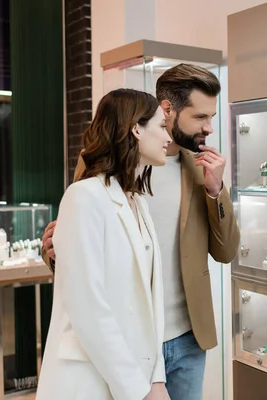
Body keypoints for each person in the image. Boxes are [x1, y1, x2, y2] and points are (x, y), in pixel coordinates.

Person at [41, 64, 240, 400]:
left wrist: (215, 190)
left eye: (212, 117)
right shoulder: (99, 179)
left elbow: (226, 251)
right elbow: (78, 261)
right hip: (123, 337)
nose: (209, 128)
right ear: (167, 110)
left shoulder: (201, 171)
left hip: (188, 337)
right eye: (200, 116)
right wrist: (54, 252)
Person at [36, 88, 171, 400]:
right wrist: (138, 390)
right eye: (161, 126)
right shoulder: (83, 197)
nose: (168, 137)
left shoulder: (138, 202)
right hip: (89, 381)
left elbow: (149, 305)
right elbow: (88, 307)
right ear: (136, 128)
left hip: (135, 376)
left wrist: (156, 379)